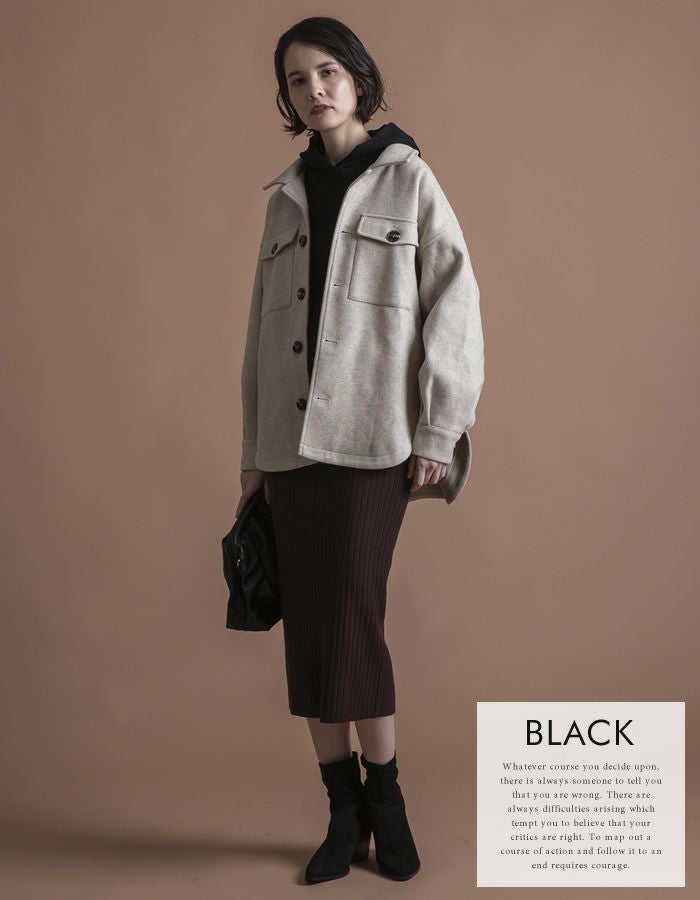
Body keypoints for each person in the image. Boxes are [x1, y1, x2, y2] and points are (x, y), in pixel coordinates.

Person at [235, 16, 485, 885]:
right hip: (291, 447)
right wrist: (254, 454)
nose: (315, 90)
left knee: (352, 617)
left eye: (329, 72)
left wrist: (438, 428)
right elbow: (260, 338)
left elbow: (456, 303)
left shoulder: (408, 178)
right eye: (297, 79)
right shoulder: (285, 196)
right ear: (288, 97)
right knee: (310, 628)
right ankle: (342, 810)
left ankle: (387, 797)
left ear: (358, 78)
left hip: (374, 440)